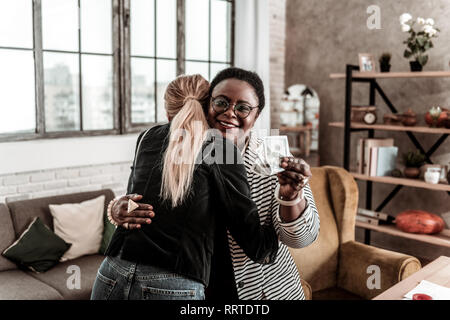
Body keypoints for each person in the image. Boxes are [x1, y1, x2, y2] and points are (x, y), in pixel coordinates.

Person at [110, 68, 320, 300]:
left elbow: (302, 239)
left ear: (256, 115)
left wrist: (291, 197)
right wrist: (118, 209)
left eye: (243, 107)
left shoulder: (274, 156)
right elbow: (146, 202)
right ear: (205, 104)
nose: (230, 113)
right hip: (202, 289)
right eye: (221, 103)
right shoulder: (185, 146)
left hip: (261, 293)